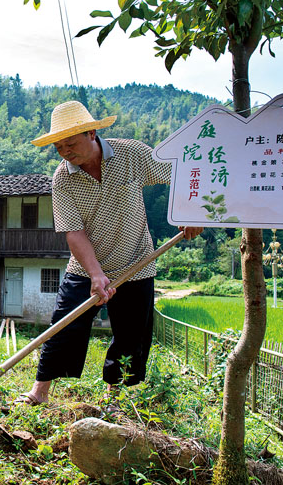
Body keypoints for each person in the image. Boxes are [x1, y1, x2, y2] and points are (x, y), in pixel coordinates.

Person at [16, 100, 202, 405]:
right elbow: (73, 231)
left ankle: (114, 397)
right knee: (63, 326)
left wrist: (189, 211)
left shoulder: (132, 153)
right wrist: (96, 274)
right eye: (59, 147)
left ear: (91, 133)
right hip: (86, 267)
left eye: (71, 143)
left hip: (136, 262)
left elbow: (181, 171)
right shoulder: (63, 178)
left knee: (130, 336)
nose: (65, 152)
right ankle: (40, 392)